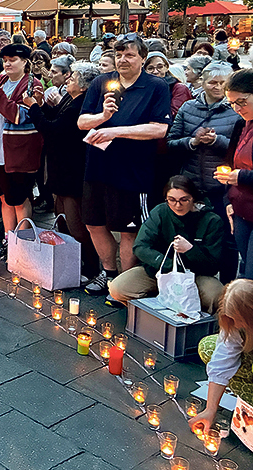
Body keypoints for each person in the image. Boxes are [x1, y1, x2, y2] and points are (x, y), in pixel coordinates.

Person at [78, 34, 172, 298]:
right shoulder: (101, 83)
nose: (123, 60)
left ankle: (124, 284)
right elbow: (82, 122)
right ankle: (107, 273)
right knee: (94, 224)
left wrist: (115, 131)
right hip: (97, 165)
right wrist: (104, 116)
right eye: (119, 55)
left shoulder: (156, 86)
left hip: (133, 170)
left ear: (143, 58)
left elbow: (159, 129)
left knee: (127, 230)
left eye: (130, 55)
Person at [26, 61, 102, 281]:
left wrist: (32, 107)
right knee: (61, 217)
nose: (70, 79)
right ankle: (69, 260)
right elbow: (55, 117)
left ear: (85, 85)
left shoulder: (81, 105)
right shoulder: (71, 98)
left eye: (75, 76)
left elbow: (53, 130)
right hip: (60, 168)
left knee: (76, 222)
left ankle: (90, 267)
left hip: (72, 170)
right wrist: (42, 105)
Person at [168, 61, 240, 281]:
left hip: (222, 187)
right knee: (190, 236)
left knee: (228, 240)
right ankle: (191, 283)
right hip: (192, 184)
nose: (217, 87)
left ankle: (227, 287)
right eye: (212, 82)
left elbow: (241, 149)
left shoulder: (236, 111)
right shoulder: (188, 107)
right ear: (203, 82)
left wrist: (217, 141)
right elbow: (171, 142)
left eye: (222, 83)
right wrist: (193, 141)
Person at [108, 175, 224, 311]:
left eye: (184, 200)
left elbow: (213, 265)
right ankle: (151, 311)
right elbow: (140, 246)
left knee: (217, 295)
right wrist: (166, 265)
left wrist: (191, 250)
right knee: (117, 288)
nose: (178, 205)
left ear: (193, 198)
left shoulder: (211, 221)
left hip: (194, 275)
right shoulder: (161, 211)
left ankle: (197, 319)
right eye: (172, 200)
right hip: (159, 271)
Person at [0, 43, 44, 261]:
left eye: (13, 59)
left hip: (16, 153)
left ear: (25, 62)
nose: (8, 64)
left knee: (19, 199)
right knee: (4, 198)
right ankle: (8, 238)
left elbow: (20, 116)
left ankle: (23, 243)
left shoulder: (33, 84)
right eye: (5, 60)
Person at [192, 279, 253, 432]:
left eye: (239, 319)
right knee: (208, 348)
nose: (236, 324)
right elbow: (222, 360)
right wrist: (210, 409)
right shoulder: (233, 324)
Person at [216, 69, 253, 279]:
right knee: (245, 272)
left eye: (242, 101)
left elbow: (238, 173)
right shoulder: (241, 124)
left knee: (250, 275)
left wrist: (241, 177)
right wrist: (228, 198)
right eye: (231, 103)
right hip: (241, 210)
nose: (237, 109)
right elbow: (229, 163)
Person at [144, 52, 193, 116]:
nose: (155, 71)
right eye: (150, 68)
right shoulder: (142, 88)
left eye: (160, 67)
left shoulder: (179, 89)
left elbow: (174, 114)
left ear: (166, 67)